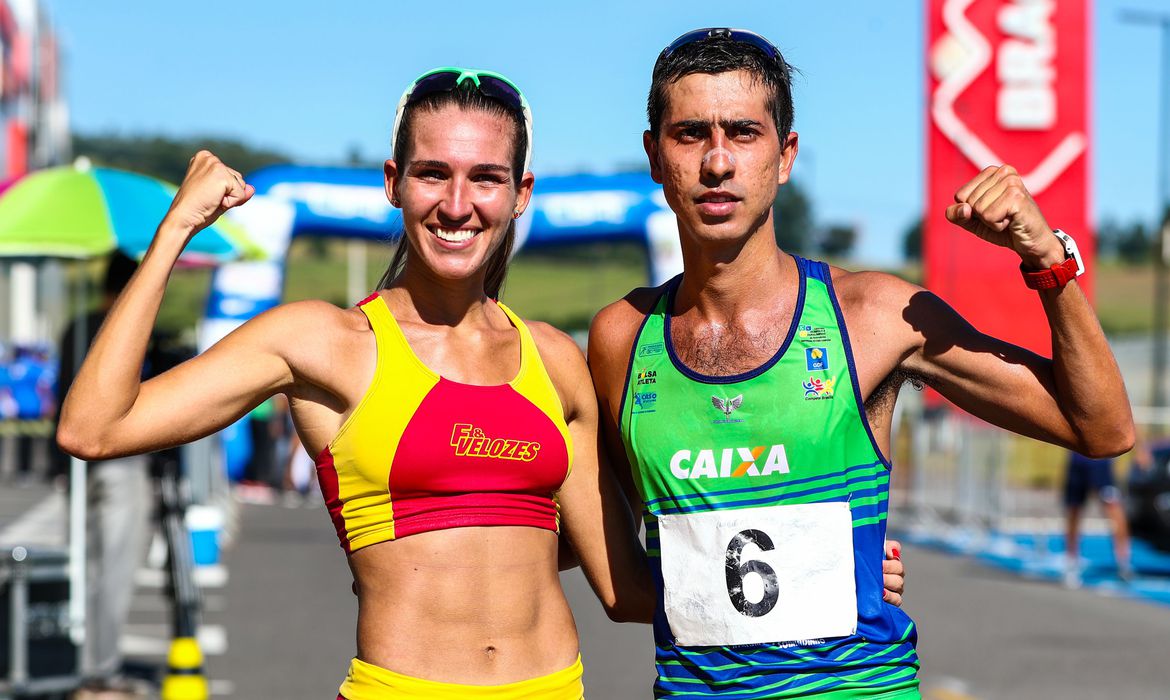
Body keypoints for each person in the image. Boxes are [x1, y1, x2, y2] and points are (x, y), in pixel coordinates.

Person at [58, 66, 908, 700]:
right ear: (394, 184)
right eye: (433, 174)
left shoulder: (556, 360)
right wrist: (173, 230)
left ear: (519, 195)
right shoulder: (324, 342)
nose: (457, 203)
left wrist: (829, 570)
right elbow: (93, 428)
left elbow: (626, 586)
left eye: (485, 179)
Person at [587, 28, 1135, 699]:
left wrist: (1047, 258)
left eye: (744, 132)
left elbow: (1104, 430)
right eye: (690, 133)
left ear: (785, 155)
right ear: (654, 153)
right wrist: (827, 571)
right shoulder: (623, 337)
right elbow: (624, 584)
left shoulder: (874, 315)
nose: (718, 161)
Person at [54, 251, 155, 697]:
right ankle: (101, 668)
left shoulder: (75, 328)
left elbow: (59, 397)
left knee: (87, 563)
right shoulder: (127, 333)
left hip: (76, 466)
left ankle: (81, 658)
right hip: (121, 459)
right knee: (115, 566)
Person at [1063, 451, 1133, 588]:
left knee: (1114, 509)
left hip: (1101, 461)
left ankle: (1124, 562)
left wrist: (1142, 450)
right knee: (1074, 511)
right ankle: (1071, 563)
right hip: (1077, 460)